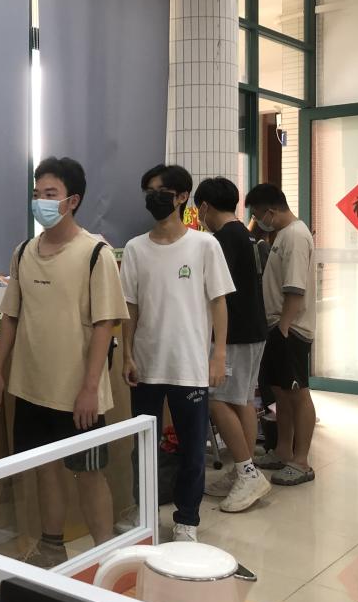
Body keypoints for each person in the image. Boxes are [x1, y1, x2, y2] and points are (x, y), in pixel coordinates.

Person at [0, 156, 129, 567]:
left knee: (89, 472)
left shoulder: (95, 253)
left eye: (50, 194)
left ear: (73, 201)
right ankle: (52, 546)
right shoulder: (23, 252)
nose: (41, 202)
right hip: (31, 387)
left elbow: (105, 324)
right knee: (45, 468)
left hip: (78, 393)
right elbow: (11, 316)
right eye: (37, 194)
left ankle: (106, 556)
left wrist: (89, 389)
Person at [120, 164, 234, 542]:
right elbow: (130, 307)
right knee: (143, 448)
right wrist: (127, 355)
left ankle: (187, 520)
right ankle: (145, 514)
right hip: (146, 365)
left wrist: (218, 355)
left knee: (192, 449)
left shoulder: (204, 245)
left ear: (182, 197)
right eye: (149, 192)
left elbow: (219, 302)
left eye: (162, 192)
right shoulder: (135, 248)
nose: (154, 198)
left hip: (189, 365)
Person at [195, 177, 272, 512]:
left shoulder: (223, 239)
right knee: (242, 401)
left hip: (235, 334)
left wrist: (219, 346)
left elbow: (216, 293)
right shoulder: (245, 233)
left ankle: (247, 473)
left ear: (205, 206)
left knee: (217, 400)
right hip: (253, 330)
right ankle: (244, 469)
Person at [245, 183, 317, 486]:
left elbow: (295, 287)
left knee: (298, 394)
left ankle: (301, 461)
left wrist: (285, 326)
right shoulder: (283, 234)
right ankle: (283, 450)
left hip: (292, 328)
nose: (257, 221)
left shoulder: (296, 236)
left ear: (271, 211)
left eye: (257, 214)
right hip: (278, 326)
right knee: (282, 394)